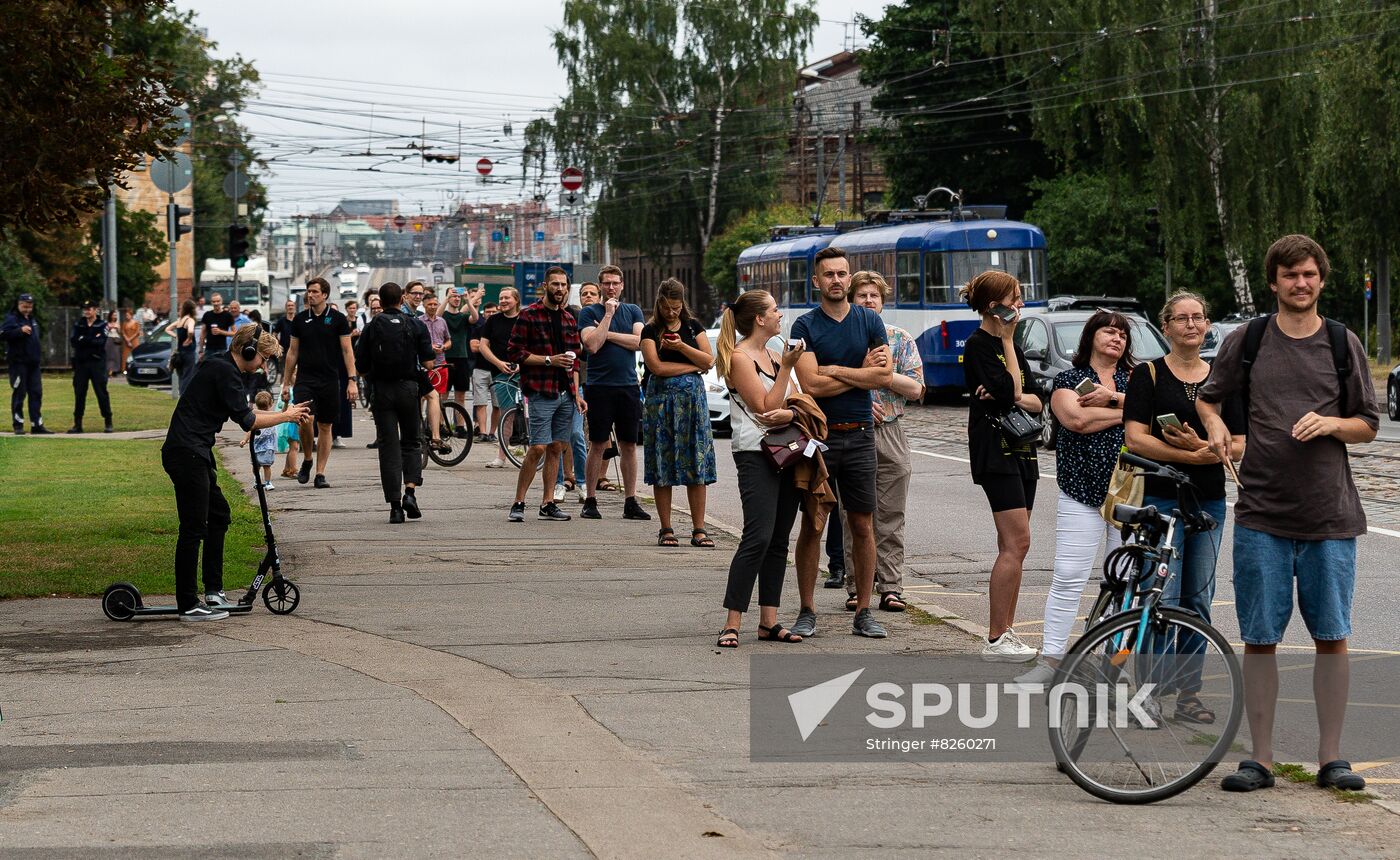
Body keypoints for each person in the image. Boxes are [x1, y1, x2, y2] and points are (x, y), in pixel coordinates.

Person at [1199, 235, 1379, 793]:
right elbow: (1209, 396)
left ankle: (1332, 759)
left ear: (1321, 280)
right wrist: (1216, 426)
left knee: (1332, 635)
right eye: (1290, 275)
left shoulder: (1342, 343)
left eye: (1309, 275)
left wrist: (1330, 424)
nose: (1300, 283)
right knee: (1260, 638)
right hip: (1261, 514)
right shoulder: (1246, 340)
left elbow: (1368, 424)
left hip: (1330, 517)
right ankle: (1262, 760)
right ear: (1273, 281)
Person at [1122, 290, 1246, 722]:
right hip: (1159, 499)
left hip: (1209, 499)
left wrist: (1208, 452)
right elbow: (1135, 438)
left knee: (1198, 600)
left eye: (1198, 317)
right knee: (1159, 597)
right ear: (1167, 326)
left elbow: (1243, 442)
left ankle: (1188, 696)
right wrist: (1193, 455)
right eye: (1181, 319)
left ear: (1207, 325)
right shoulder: (1149, 375)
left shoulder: (1223, 379)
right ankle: (1149, 694)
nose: (1191, 325)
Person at [1015, 310, 1136, 686]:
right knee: (1069, 577)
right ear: (1090, 337)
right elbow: (1076, 421)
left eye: (1122, 334)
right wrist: (1127, 411)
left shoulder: (1135, 380)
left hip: (1129, 492)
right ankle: (1050, 661)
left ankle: (1114, 666)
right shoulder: (1068, 378)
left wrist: (1113, 402)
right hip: (1080, 490)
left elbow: (1151, 417)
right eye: (1108, 331)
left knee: (1126, 582)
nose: (1116, 338)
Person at [162, 324, 309, 619]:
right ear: (248, 350)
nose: (263, 364)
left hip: (194, 452)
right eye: (263, 358)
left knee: (218, 515)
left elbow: (244, 414)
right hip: (187, 453)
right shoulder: (224, 371)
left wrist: (285, 414)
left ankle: (213, 591)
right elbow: (248, 421)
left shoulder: (223, 368)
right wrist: (286, 415)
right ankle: (188, 603)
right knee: (193, 527)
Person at [788, 247, 893, 640]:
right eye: (828, 274)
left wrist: (835, 370)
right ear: (816, 281)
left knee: (863, 525)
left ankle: (864, 611)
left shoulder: (868, 320)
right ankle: (807, 610)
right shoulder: (805, 325)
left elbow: (883, 378)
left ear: (850, 279)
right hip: (821, 439)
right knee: (813, 525)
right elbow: (811, 384)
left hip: (862, 434)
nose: (836, 280)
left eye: (842, 273)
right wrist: (858, 372)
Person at [714, 289, 806, 646]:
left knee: (780, 538)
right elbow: (765, 406)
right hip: (756, 452)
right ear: (759, 318)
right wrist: (786, 369)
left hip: (786, 450)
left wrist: (792, 410)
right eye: (774, 309)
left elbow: (793, 401)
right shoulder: (741, 357)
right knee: (758, 535)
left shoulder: (771, 353)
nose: (780, 314)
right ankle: (732, 621)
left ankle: (769, 621)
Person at [961, 271, 1042, 662]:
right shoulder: (980, 345)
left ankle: (1006, 631)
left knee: (1016, 546)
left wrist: (1014, 392)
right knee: (1017, 542)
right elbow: (1012, 392)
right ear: (995, 306)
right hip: (998, 452)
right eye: (1016, 298)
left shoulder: (1009, 346)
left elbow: (1036, 399)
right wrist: (1008, 348)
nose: (1021, 305)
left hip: (1023, 451)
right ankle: (995, 638)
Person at [838, 271, 925, 612]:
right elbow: (823, 379)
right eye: (862, 296)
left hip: (890, 431)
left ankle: (890, 587)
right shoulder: (841, 337)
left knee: (891, 515)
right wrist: (860, 391)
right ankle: (855, 586)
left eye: (875, 296)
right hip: (850, 429)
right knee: (853, 516)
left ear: (883, 302)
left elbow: (917, 389)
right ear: (852, 300)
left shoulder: (899, 340)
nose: (869, 301)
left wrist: (884, 376)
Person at [640, 278, 717, 548]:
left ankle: (699, 528)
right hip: (661, 404)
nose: (672, 312)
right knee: (664, 462)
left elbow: (709, 360)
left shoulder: (693, 327)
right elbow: (656, 368)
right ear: (659, 302)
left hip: (692, 404)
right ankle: (666, 528)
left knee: (696, 462)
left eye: (676, 307)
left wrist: (681, 347)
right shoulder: (650, 330)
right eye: (667, 307)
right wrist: (692, 367)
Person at [505, 267, 585, 522]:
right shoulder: (529, 315)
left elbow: (573, 361)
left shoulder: (569, 319)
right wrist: (549, 360)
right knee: (538, 446)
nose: (560, 289)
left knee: (557, 447)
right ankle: (518, 502)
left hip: (566, 393)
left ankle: (547, 502)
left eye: (563, 285)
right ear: (545, 286)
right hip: (541, 390)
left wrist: (576, 393)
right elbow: (515, 353)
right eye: (555, 284)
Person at [356, 281, 435, 523]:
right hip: (408, 389)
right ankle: (410, 491)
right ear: (401, 300)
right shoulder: (415, 324)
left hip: (382, 392)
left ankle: (395, 507)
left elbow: (361, 366)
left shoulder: (371, 327)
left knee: (388, 447)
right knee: (411, 442)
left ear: (379, 300)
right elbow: (429, 363)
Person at [578, 265, 651, 521]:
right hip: (599, 387)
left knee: (629, 444)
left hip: (628, 386)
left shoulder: (633, 311)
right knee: (597, 443)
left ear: (622, 285)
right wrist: (607, 315)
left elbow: (639, 342)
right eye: (607, 283)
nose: (611, 287)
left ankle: (630, 500)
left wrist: (606, 333)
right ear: (600, 286)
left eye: (615, 283)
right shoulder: (589, 312)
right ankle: (590, 498)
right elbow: (592, 345)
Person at [280, 277, 359, 488]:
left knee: (325, 425)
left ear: (325, 294)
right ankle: (307, 458)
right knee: (305, 419)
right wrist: (285, 383)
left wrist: (352, 381)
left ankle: (320, 473)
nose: (310, 295)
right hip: (305, 379)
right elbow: (292, 352)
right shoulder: (299, 320)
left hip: (330, 380)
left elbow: (347, 350)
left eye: (315, 291)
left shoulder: (338, 319)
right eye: (309, 291)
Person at [478, 289, 522, 468]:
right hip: (501, 372)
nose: (503, 301)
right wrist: (498, 363)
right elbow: (483, 346)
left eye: (507, 298)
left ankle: (536, 452)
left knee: (533, 413)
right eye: (500, 298)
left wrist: (522, 363)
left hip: (524, 369)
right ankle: (501, 456)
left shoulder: (526, 318)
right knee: (507, 413)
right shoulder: (493, 320)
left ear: (516, 300)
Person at [3, 293, 50, 434]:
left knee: (36, 393)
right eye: (25, 306)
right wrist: (19, 331)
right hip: (19, 363)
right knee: (20, 393)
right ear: (18, 304)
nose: (27, 309)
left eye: (30, 307)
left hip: (33, 364)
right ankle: (18, 424)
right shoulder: (12, 319)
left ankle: (37, 424)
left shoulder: (32, 319)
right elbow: (3, 334)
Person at [68, 299, 114, 434]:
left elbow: (100, 342)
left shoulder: (102, 324)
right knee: (79, 393)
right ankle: (78, 424)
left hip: (97, 363)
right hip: (81, 363)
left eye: (90, 309)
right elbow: (74, 341)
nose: (87, 311)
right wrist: (90, 339)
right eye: (85, 309)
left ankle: (108, 421)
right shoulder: (79, 324)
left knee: (101, 393)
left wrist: (84, 339)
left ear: (96, 310)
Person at [443, 285, 481, 438]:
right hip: (445, 358)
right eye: (454, 296)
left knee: (460, 395)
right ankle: (441, 424)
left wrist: (468, 299)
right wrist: (446, 298)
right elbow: (438, 316)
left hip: (461, 358)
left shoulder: (463, 316)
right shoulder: (444, 315)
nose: (456, 298)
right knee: (443, 395)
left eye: (458, 297)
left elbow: (475, 317)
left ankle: (460, 426)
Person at [420, 290, 451, 450]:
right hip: (426, 364)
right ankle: (420, 425)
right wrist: (429, 348)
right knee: (424, 396)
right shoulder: (419, 321)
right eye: (429, 304)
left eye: (435, 304)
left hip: (441, 362)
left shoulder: (442, 321)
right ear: (424, 306)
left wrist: (444, 347)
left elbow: (448, 340)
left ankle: (437, 428)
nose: (432, 307)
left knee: (439, 397)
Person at [469, 300, 498, 443]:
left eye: (493, 311)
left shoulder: (501, 328)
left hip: (497, 370)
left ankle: (492, 432)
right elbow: (474, 347)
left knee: (497, 404)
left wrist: (483, 345)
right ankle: (483, 432)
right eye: (488, 312)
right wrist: (490, 345)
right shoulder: (478, 329)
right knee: (480, 403)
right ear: (484, 314)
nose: (491, 314)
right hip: (480, 369)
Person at [240, 390, 279, 490]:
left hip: (266, 446)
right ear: (271, 403)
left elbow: (249, 430)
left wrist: (245, 440)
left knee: (264, 465)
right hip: (258, 445)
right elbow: (251, 429)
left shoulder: (272, 416)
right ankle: (259, 481)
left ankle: (267, 482)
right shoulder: (258, 417)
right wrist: (245, 439)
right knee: (259, 466)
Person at [165, 300, 199, 394]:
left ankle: (181, 394)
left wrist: (176, 336)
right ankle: (184, 397)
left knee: (181, 376)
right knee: (188, 376)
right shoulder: (190, 320)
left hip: (180, 353)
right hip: (189, 352)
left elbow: (167, 329)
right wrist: (189, 339)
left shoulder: (179, 321)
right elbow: (191, 331)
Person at [199, 293, 234, 359]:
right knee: (208, 368)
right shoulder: (207, 315)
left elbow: (234, 333)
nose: (216, 303)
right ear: (211, 302)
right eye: (214, 301)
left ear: (221, 301)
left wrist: (220, 332)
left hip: (222, 349)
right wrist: (201, 351)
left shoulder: (227, 315)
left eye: (218, 301)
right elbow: (202, 334)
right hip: (209, 349)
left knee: (221, 369)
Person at [104, 310, 123, 376]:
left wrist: (117, 329)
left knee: (116, 356)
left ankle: (115, 370)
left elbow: (120, 333)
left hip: (116, 340)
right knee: (108, 356)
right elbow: (105, 332)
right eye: (113, 315)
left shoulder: (117, 324)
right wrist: (109, 328)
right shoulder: (107, 323)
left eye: (115, 315)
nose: (114, 316)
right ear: (110, 316)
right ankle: (109, 370)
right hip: (109, 340)